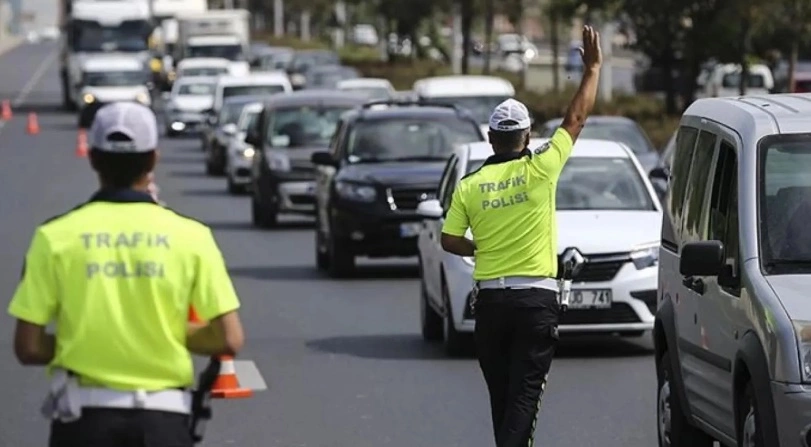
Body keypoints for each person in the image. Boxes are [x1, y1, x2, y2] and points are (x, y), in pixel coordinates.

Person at [8, 101, 245, 447]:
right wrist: (159, 333)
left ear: (92, 157)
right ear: (153, 160)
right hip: (164, 421)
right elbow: (229, 338)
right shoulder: (191, 236)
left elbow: (28, 346)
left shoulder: (54, 237)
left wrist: (90, 340)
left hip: (84, 421)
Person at [439, 25, 603, 447]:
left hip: (491, 304)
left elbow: (449, 240)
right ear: (528, 136)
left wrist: (481, 247)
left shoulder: (470, 185)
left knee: (503, 398)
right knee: (523, 401)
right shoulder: (542, 167)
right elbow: (576, 118)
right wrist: (593, 69)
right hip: (535, 303)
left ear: (491, 138)